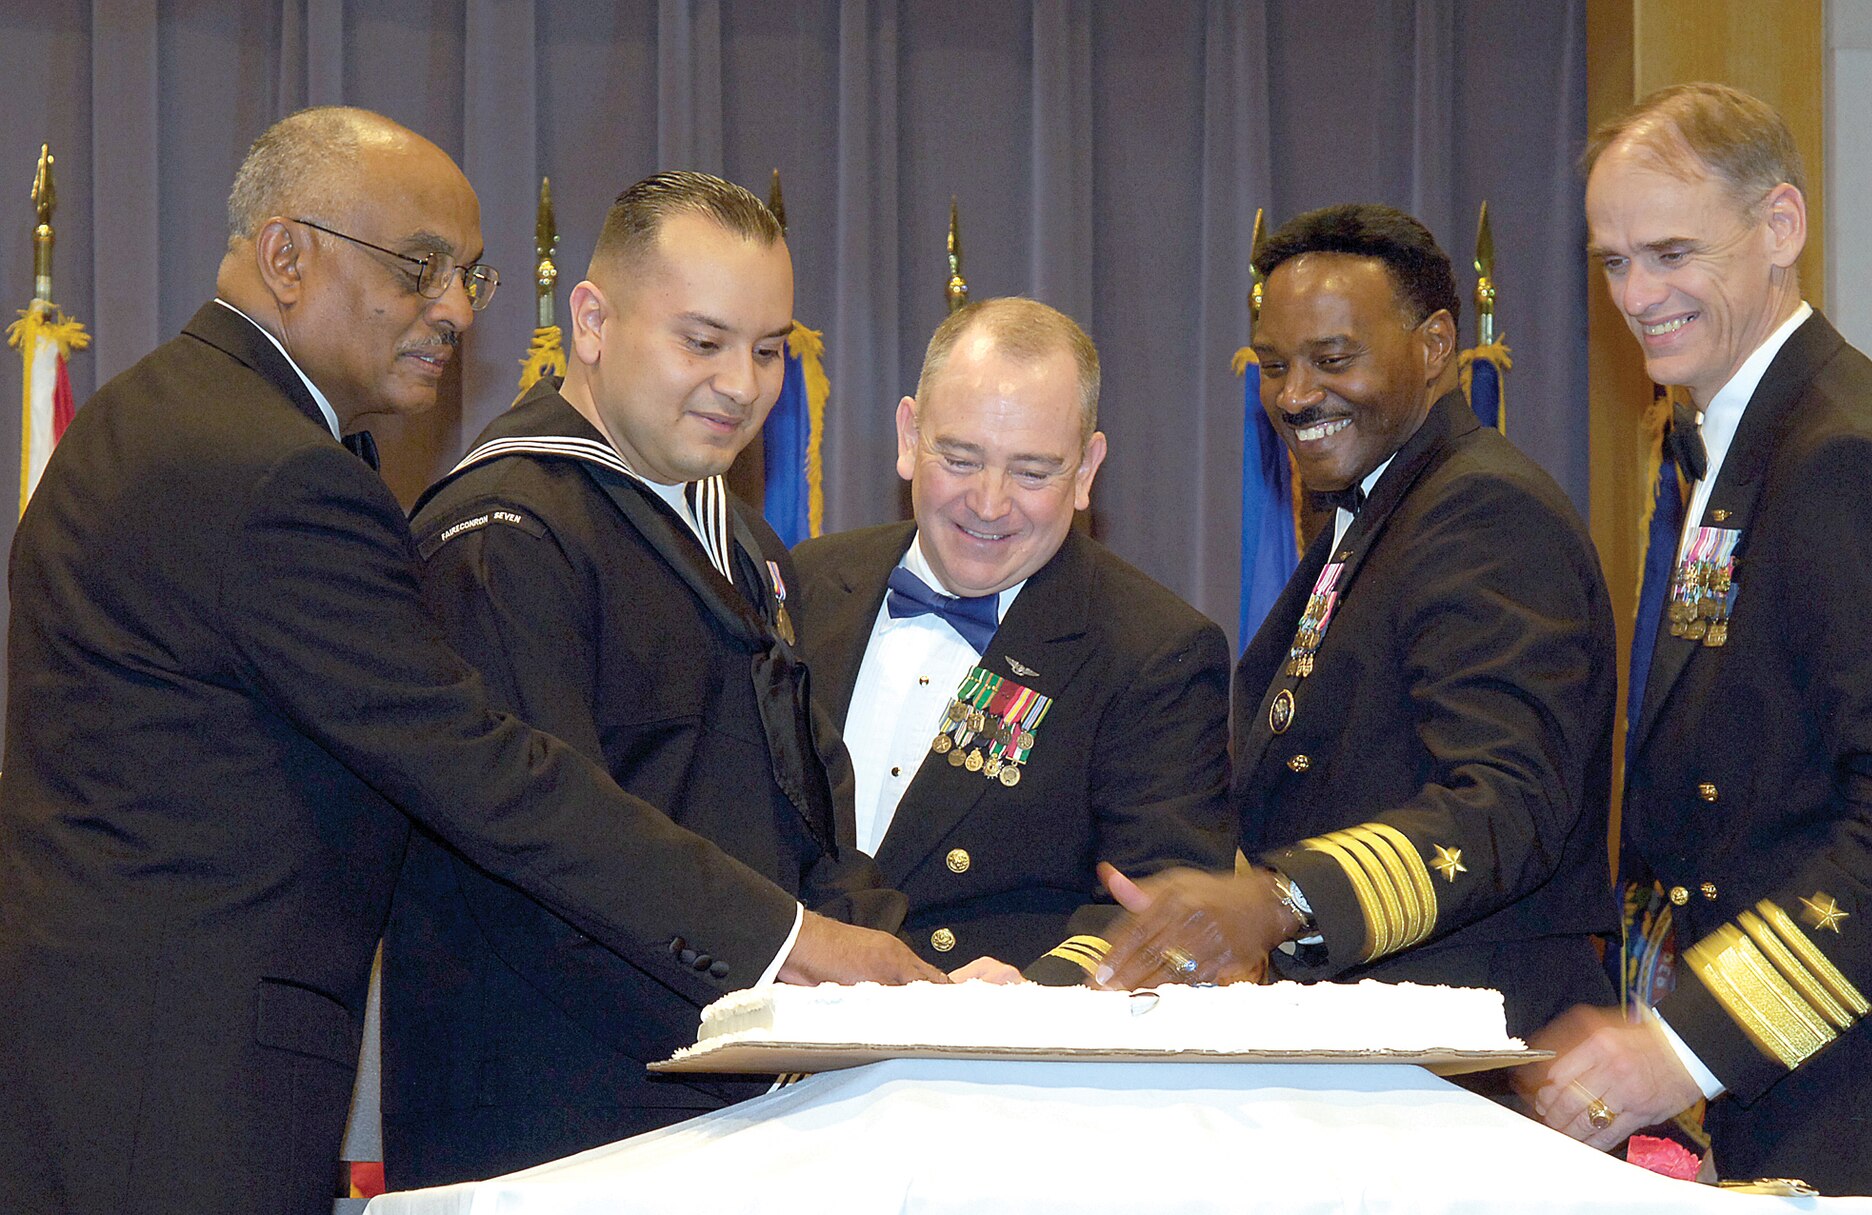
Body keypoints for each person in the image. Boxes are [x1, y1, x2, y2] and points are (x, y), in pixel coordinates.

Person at [0, 109, 935, 1215]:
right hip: (185, 1078)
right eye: (417, 267)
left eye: (467, 276)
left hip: (131, 1051)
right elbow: (488, 774)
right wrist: (797, 950)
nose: (451, 309)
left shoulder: (175, 420)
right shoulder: (281, 474)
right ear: (286, 257)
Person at [383, 172, 927, 1186]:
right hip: (559, 1130)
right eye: (702, 340)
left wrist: (900, 975)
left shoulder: (745, 544)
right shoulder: (505, 532)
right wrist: (800, 960)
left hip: (732, 1115)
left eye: (768, 350)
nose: (741, 383)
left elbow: (807, 813)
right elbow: (546, 849)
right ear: (591, 321)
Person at [1523, 84, 1872, 1209]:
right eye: (1611, 262)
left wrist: (1680, 1044)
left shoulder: (1842, 459)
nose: (1637, 295)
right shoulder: (1740, 443)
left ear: (1778, 228)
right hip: (1794, 1072)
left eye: (1670, 252)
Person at [1093, 205, 1617, 1045]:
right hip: (1387, 1041)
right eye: (1273, 365)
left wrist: (1280, 899)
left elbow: (1508, 801)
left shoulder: (1482, 508)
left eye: (1333, 360)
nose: (1296, 396)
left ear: (1438, 344)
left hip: (1483, 1056)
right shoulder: (1373, 513)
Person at [791, 297, 1237, 981]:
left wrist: (1030, 998)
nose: (990, 503)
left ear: (1086, 471)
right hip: (780, 1048)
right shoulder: (803, 586)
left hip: (997, 1072)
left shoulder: (1154, 651)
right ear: (909, 437)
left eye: (1032, 471)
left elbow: (1162, 915)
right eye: (962, 458)